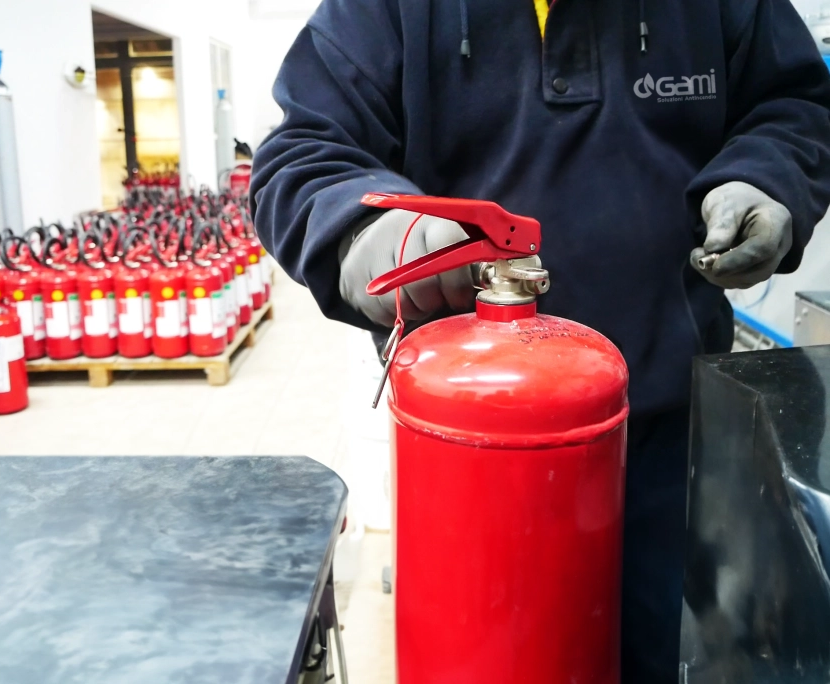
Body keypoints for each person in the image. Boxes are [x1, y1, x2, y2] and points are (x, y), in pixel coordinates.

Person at [250, 0, 830, 680]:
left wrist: (767, 179)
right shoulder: (385, 12)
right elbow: (301, 155)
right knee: (490, 657)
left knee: (670, 659)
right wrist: (368, 235)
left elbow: (795, 104)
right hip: (474, 460)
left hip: (673, 446)